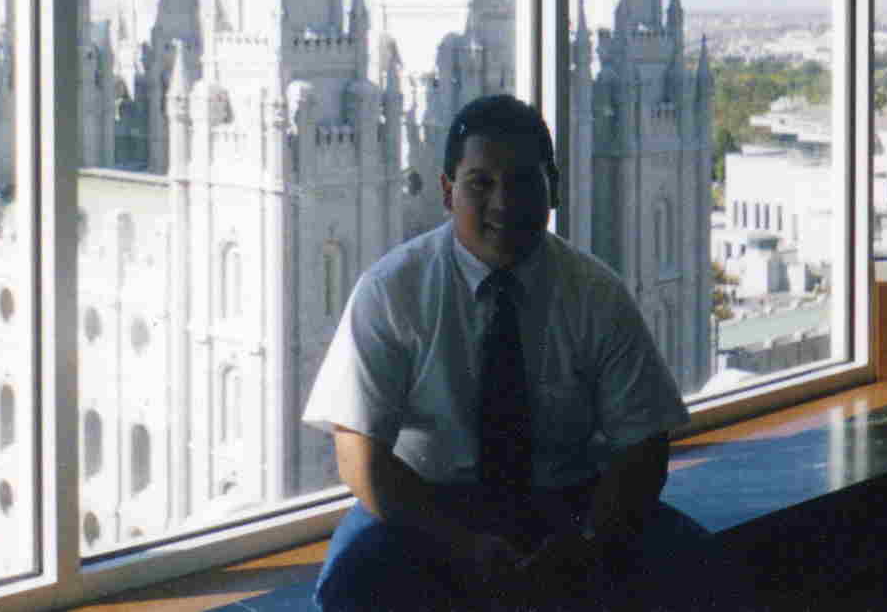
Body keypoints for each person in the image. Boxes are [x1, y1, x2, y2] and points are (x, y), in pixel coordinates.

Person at [302, 94, 712, 612]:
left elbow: (644, 447)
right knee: (352, 583)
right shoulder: (392, 290)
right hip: (428, 504)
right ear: (448, 192)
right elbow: (359, 454)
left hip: (568, 499)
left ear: (553, 188)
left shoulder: (596, 293)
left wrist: (585, 543)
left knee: (693, 565)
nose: (504, 203)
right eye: (481, 184)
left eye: (523, 181)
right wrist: (461, 544)